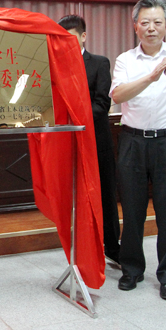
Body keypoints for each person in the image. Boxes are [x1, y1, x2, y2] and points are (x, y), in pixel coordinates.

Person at [110, 0, 166, 301]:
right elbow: (118, 95)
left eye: (157, 22)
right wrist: (151, 76)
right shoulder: (125, 59)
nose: (151, 28)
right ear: (135, 26)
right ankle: (132, 269)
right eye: (145, 22)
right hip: (132, 142)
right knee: (132, 211)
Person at [57, 14, 120, 265]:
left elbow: (102, 104)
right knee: (72, 196)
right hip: (66, 141)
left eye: (71, 38)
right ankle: (80, 247)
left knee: (104, 195)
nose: (66, 44)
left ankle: (112, 247)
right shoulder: (56, 65)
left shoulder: (99, 63)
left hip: (96, 141)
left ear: (83, 36)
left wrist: (74, 118)